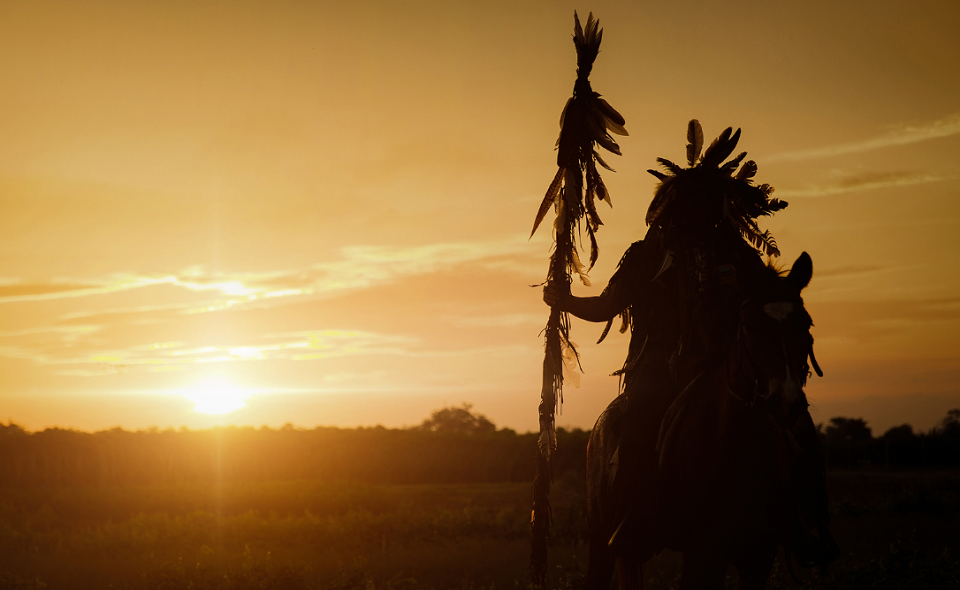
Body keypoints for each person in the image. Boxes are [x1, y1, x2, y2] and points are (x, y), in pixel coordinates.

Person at [544, 121, 837, 565]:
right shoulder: (645, 255)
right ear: (673, 207)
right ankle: (632, 519)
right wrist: (564, 300)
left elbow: (770, 298)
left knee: (799, 429)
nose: (700, 213)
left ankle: (809, 525)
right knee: (640, 421)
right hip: (658, 368)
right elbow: (607, 306)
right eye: (691, 203)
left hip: (728, 367)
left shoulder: (737, 253)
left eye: (708, 203)